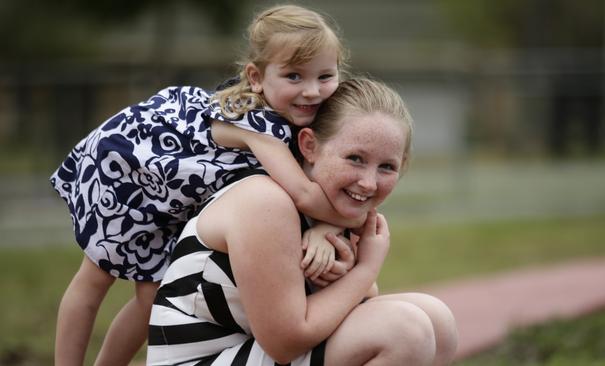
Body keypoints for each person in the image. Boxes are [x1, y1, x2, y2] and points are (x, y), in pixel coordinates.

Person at [50, 5, 358, 365]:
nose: (312, 91)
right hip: (133, 169)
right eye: (294, 76)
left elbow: (331, 185)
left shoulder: (313, 116)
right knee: (93, 280)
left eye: (325, 76)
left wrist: (327, 227)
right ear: (256, 78)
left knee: (152, 299)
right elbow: (307, 194)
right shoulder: (253, 124)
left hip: (178, 197)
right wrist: (348, 217)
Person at [147, 78, 458, 366]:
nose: (368, 183)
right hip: (203, 359)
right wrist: (365, 269)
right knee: (405, 331)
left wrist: (343, 274)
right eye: (355, 158)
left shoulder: (337, 214)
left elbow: (360, 306)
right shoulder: (266, 202)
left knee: (437, 320)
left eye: (387, 167)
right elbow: (286, 341)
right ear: (309, 146)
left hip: (249, 351)